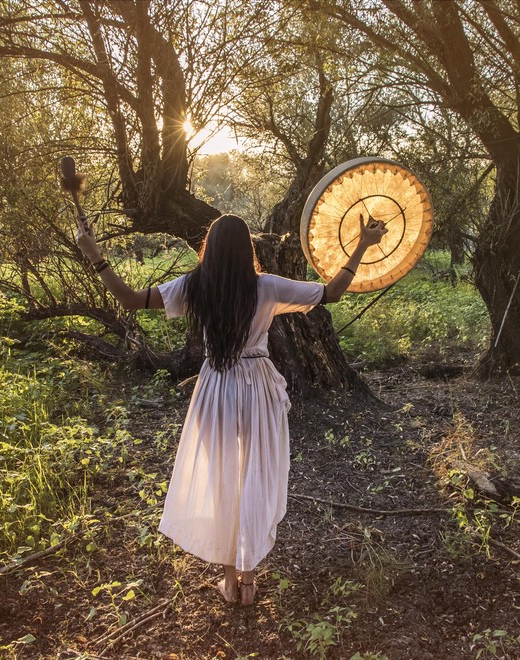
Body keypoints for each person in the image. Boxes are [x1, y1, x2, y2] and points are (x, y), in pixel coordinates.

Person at [75, 213, 387, 606]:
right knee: (253, 476)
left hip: (217, 388)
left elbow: (130, 299)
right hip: (257, 387)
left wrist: (95, 254)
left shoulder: (193, 287)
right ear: (247, 251)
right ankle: (250, 581)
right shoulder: (267, 288)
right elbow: (332, 292)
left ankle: (229, 580)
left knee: (223, 479)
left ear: (210, 249)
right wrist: (361, 245)